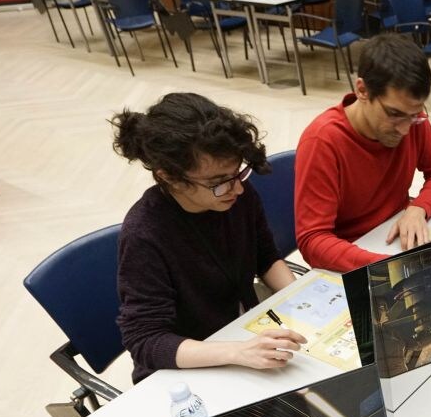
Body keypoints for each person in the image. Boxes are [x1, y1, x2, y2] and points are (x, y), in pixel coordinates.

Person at [112, 92, 306, 384]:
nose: (236, 189)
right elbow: (146, 341)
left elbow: (265, 257)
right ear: (170, 177)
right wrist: (237, 352)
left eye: (238, 173)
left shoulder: (235, 195)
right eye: (218, 183)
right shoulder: (145, 234)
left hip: (239, 336)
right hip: (186, 370)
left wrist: (304, 301)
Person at [295, 33, 431, 272]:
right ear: (362, 90)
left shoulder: (413, 120)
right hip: (351, 260)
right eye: (394, 114)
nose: (404, 129)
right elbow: (313, 240)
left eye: (414, 114)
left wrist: (418, 208)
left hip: (393, 240)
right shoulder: (322, 141)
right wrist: (386, 267)